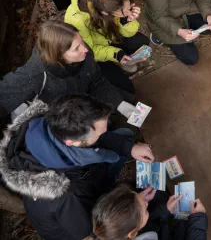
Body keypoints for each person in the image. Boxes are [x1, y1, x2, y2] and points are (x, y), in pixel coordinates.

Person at [0, 94, 155, 240]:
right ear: (72, 143)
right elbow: (99, 230)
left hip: (87, 181)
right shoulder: (65, 196)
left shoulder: (55, 125)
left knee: (124, 135)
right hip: (81, 223)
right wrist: (135, 206)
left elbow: (99, 140)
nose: (103, 135)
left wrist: (130, 148)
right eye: (99, 135)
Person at [0, 21, 136, 123]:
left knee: (128, 96)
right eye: (77, 48)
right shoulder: (35, 74)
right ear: (58, 55)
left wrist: (119, 103)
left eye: (81, 41)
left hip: (80, 99)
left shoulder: (85, 54)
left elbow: (96, 81)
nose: (85, 49)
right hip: (59, 119)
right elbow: (4, 96)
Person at [64, 0, 149, 94]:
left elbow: (129, 33)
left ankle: (122, 62)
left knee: (141, 41)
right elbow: (90, 51)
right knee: (127, 89)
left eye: (129, 7)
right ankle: (117, 62)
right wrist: (116, 53)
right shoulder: (76, 20)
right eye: (123, 11)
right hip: (97, 50)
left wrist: (126, 20)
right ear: (104, 13)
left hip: (111, 36)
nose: (129, 12)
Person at [88, 184, 208, 240]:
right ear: (132, 233)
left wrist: (165, 211)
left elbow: (147, 226)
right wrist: (198, 218)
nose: (146, 203)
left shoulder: (114, 231)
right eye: (145, 209)